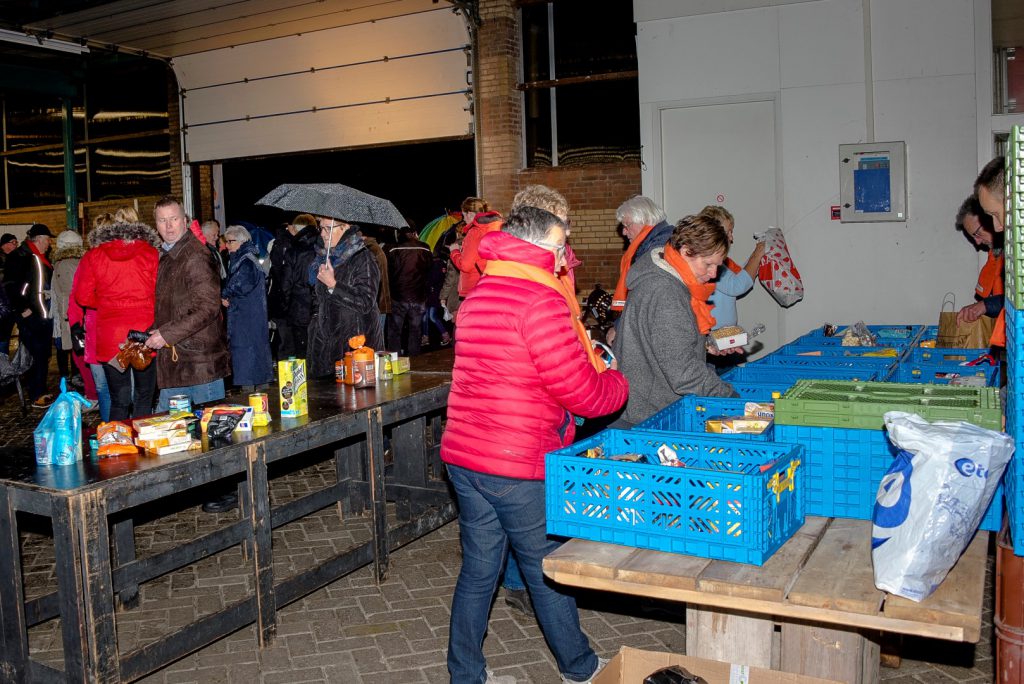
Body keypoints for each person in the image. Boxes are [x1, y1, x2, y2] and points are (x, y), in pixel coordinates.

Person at [441, 206, 627, 684]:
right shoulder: (540, 301)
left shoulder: (481, 292)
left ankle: (465, 675)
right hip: (515, 462)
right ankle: (580, 668)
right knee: (548, 570)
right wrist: (617, 383)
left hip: (466, 454)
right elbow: (580, 390)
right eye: (561, 244)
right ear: (540, 246)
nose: (567, 255)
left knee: (479, 572)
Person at [612, 214, 738, 426]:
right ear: (686, 251)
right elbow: (683, 373)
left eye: (717, 265)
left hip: (644, 407)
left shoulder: (662, 272)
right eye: (708, 264)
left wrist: (706, 344)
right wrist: (731, 399)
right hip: (650, 415)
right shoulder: (666, 292)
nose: (713, 273)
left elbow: (663, 340)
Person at [145, 196, 230, 411]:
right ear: (156, 225)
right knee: (174, 434)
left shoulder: (195, 255)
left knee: (210, 437)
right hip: (179, 362)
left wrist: (166, 334)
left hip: (200, 365)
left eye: (173, 219)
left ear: (184, 220)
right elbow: (173, 307)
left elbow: (208, 307)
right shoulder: (169, 254)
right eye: (162, 220)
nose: (168, 226)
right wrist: (144, 336)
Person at [75, 218, 160, 420]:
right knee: (144, 396)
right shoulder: (150, 253)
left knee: (119, 399)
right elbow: (160, 291)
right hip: (143, 334)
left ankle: (117, 446)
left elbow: (82, 296)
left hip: (111, 336)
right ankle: (143, 442)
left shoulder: (93, 255)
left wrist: (107, 302)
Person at [306, 216, 383, 378]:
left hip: (354, 347)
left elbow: (365, 301)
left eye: (329, 228)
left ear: (345, 227)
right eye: (321, 228)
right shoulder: (323, 259)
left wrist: (333, 285)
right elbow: (318, 301)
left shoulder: (363, 258)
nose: (323, 234)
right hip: (324, 346)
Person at [606, 196, 675, 345]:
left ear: (644, 220)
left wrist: (618, 327)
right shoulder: (655, 243)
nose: (624, 232)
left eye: (627, 225)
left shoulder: (657, 250)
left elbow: (642, 299)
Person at [4, 224, 56, 407]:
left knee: (42, 354)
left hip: (43, 313)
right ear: (39, 239)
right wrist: (23, 309)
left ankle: (40, 390)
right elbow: (11, 285)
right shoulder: (20, 256)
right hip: (31, 315)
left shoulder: (39, 257)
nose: (49, 244)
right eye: (48, 239)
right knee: (35, 354)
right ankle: (36, 393)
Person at [221, 225, 273, 392]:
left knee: (247, 357)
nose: (227, 246)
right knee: (255, 355)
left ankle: (251, 398)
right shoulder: (246, 258)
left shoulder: (245, 261)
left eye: (230, 242)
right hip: (250, 316)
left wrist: (225, 293)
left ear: (241, 241)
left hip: (246, 318)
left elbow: (241, 284)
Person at [700, 205, 765, 329]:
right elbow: (737, 285)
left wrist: (757, 258)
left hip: (719, 334)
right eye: (728, 232)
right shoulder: (710, 262)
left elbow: (739, 275)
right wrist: (758, 254)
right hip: (713, 335)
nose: (731, 237)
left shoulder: (711, 259)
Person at [954, 195, 1003, 326]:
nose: (977, 242)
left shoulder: (1017, 253)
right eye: (973, 237)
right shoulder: (996, 254)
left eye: (977, 234)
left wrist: (986, 305)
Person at [49, 230, 87, 391]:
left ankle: (73, 381)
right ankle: (76, 380)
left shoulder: (64, 264)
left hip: (69, 314)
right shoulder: (76, 262)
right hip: (75, 313)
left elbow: (69, 294)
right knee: (76, 350)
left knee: (74, 349)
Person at [385, 227, 432, 355]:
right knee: (415, 330)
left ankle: (394, 360)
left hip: (398, 295)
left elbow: (388, 272)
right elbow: (429, 270)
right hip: (419, 295)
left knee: (395, 331)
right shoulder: (425, 248)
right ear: (414, 233)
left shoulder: (392, 248)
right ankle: (415, 359)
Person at [279, 217, 320, 359]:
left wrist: (285, 306)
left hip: (298, 307)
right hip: (320, 305)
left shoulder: (293, 251)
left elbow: (286, 284)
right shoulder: (323, 248)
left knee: (301, 350)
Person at [450, 197, 503, 297]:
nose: (464, 219)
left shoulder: (475, 232)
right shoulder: (496, 226)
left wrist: (455, 251)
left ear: (469, 214)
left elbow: (466, 265)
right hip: (492, 283)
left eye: (463, 215)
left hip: (475, 286)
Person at [0, 233, 17, 356]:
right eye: (13, 242)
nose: (16, 245)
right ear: (5, 245)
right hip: (3, 305)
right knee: (3, 338)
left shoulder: (11, 259)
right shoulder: (3, 260)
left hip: (8, 304)